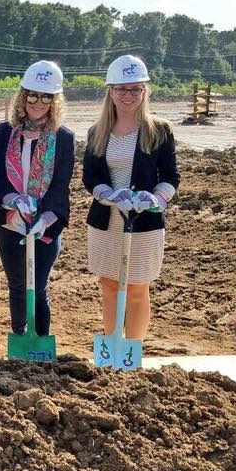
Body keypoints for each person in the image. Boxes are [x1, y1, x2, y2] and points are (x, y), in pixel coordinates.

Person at [83, 54, 180, 339]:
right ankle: (113, 345)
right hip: (107, 222)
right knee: (109, 284)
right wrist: (109, 195)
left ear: (144, 92)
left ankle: (132, 352)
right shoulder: (97, 132)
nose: (128, 95)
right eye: (121, 89)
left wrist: (155, 199)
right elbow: (91, 178)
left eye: (135, 89)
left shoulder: (159, 130)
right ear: (110, 91)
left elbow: (171, 176)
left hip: (144, 223)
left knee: (138, 287)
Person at [0, 60, 74, 337]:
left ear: (54, 100)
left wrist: (45, 219)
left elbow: (60, 186)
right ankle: (19, 338)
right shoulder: (4, 133)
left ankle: (38, 344)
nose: (38, 102)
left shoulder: (63, 138)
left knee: (37, 286)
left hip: (44, 226)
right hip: (10, 222)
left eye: (46, 96)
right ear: (23, 96)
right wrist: (13, 199)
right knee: (16, 284)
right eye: (33, 95)